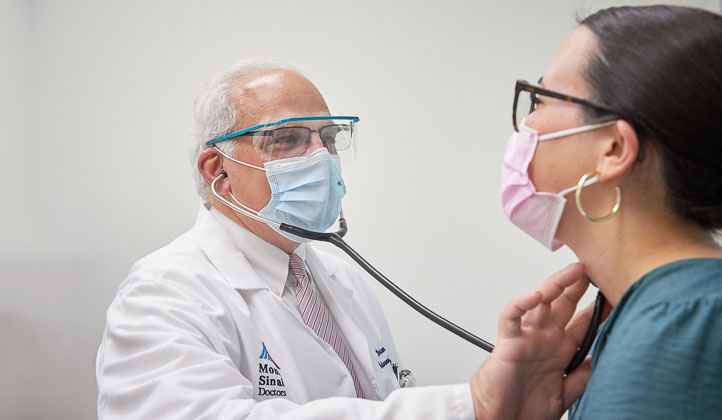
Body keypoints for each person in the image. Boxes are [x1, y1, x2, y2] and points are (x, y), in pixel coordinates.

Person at [96, 58, 593, 420]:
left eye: (328, 139)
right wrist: (474, 404)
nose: (321, 157)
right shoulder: (163, 294)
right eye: (289, 138)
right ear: (218, 172)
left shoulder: (337, 278)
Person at [499, 5, 722, 419]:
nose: (527, 126)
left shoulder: (686, 330)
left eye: (539, 98)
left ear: (614, 149)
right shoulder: (657, 315)